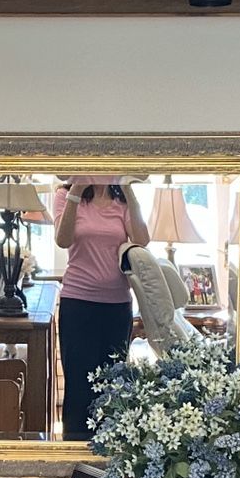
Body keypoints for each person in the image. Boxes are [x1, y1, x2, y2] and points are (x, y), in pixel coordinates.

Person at [54, 176, 149, 440]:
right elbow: (63, 240)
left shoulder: (122, 201)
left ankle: (109, 454)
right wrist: (77, 190)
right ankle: (73, 454)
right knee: (79, 385)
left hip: (117, 307)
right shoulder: (65, 195)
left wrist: (129, 191)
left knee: (112, 384)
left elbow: (142, 239)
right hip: (77, 304)